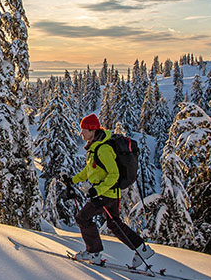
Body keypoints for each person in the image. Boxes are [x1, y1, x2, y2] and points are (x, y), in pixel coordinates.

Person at [62, 114, 157, 269]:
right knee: (114, 224)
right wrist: (72, 180)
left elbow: (114, 174)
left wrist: (97, 190)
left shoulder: (103, 149)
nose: (81, 133)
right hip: (109, 193)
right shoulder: (95, 147)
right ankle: (142, 248)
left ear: (92, 131)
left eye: (84, 130)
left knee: (82, 218)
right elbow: (89, 171)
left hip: (105, 194)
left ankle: (93, 252)